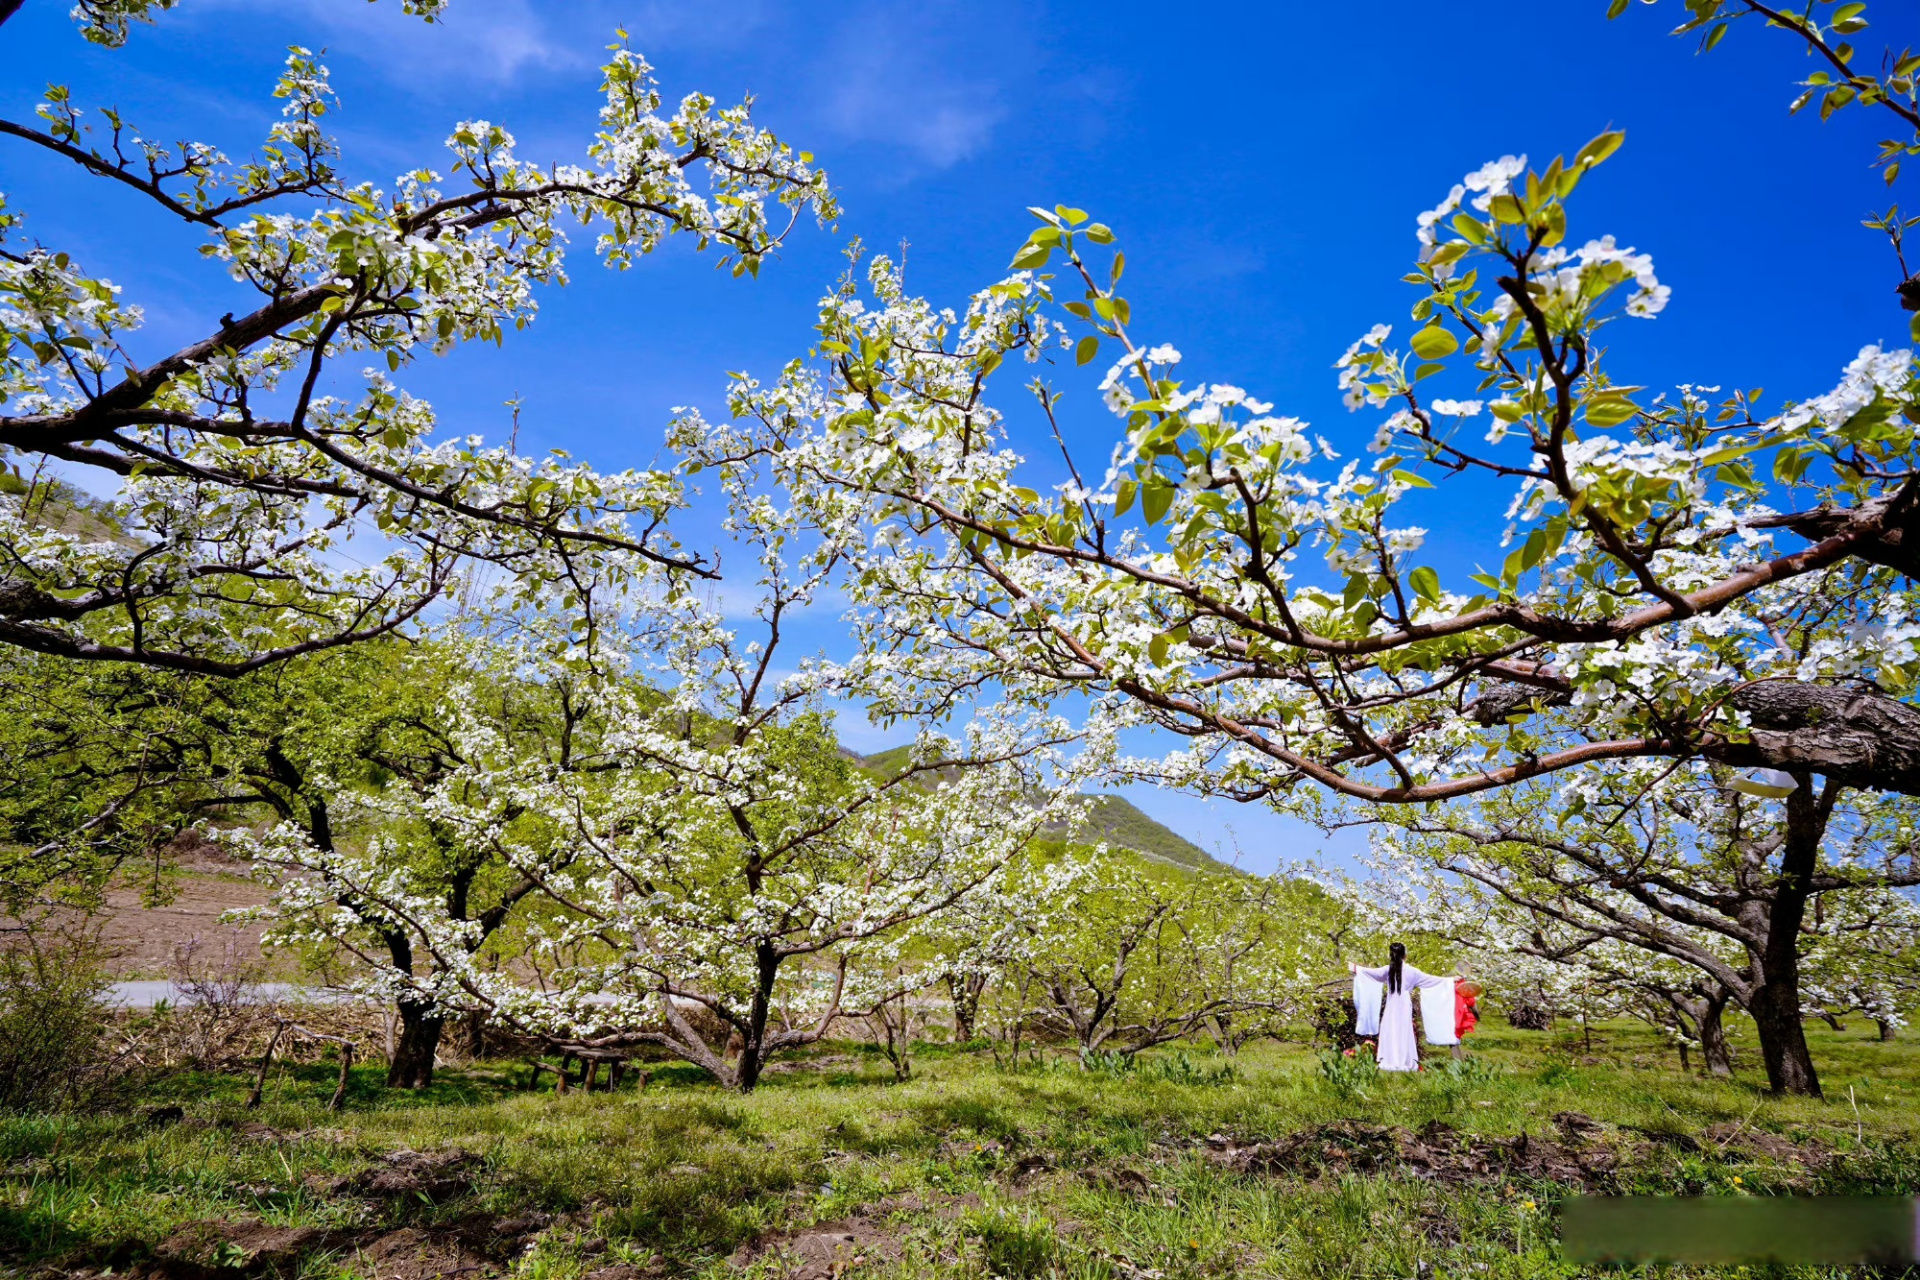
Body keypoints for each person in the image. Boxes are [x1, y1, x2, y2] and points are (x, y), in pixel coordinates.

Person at [1348, 942, 1452, 1072]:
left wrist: (1356, 968)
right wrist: (1451, 980)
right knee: (1403, 1030)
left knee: (1390, 1029)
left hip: (1392, 1003)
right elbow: (1431, 980)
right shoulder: (1412, 971)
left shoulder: (1387, 969)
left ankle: (1390, 1059)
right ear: (1405, 955)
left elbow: (1369, 973)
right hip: (1403, 1003)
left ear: (1390, 954)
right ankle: (1403, 1059)